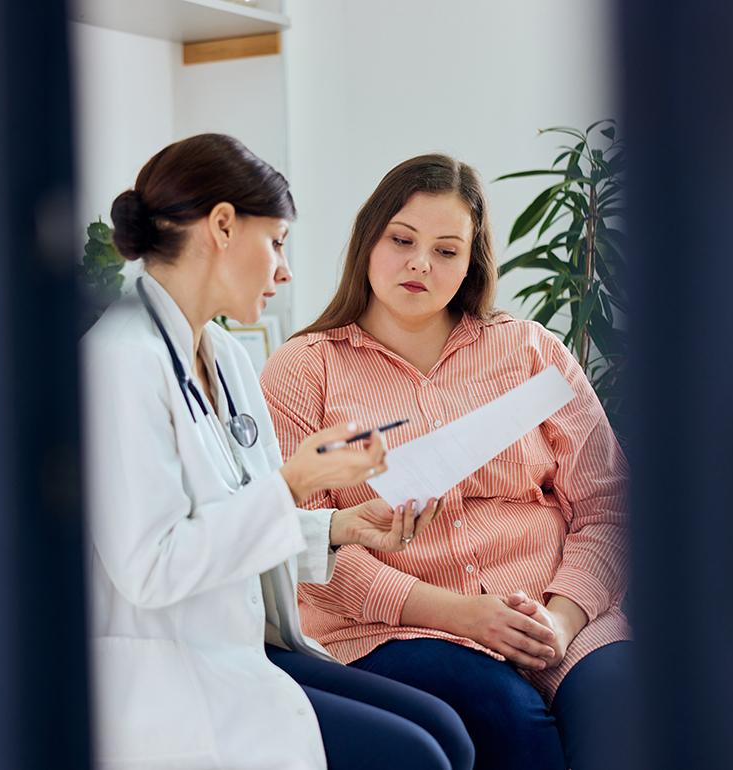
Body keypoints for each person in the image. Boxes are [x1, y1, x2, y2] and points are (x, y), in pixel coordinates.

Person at [81, 134, 473, 770]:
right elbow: (151, 569)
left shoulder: (227, 358)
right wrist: (293, 484)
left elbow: (243, 517)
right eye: (277, 242)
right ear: (223, 227)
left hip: (239, 648)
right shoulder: (120, 361)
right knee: (418, 757)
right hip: (168, 674)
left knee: (448, 733)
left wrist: (339, 527)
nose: (285, 270)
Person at [260, 154, 635, 770]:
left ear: (470, 263)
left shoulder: (530, 350)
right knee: (509, 719)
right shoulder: (305, 369)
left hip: (555, 611)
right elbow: (302, 546)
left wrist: (560, 620)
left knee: (625, 706)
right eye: (402, 240)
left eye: (446, 250)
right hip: (400, 627)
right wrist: (464, 616)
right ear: (368, 240)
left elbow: (608, 506)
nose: (420, 264)